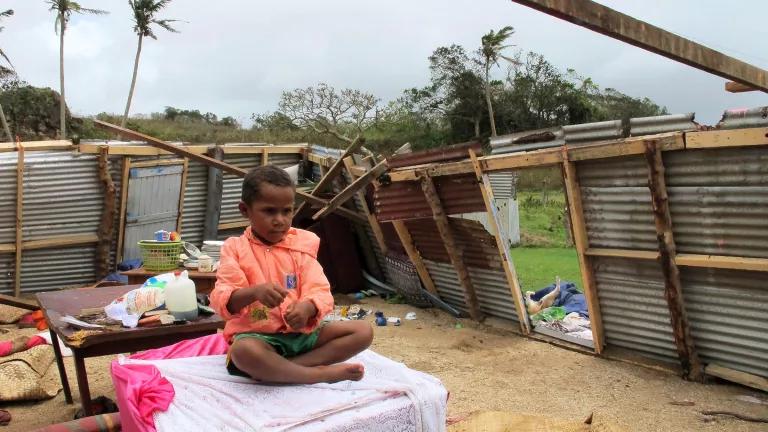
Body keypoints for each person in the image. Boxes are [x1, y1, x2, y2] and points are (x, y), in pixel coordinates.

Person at [210, 165, 373, 384]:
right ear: (245, 210)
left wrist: (308, 307)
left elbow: (321, 291)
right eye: (269, 211)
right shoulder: (234, 249)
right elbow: (222, 298)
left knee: (363, 331)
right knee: (243, 351)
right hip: (260, 337)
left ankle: (285, 369)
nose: (280, 220)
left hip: (303, 335)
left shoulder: (302, 246)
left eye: (287, 211)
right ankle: (318, 374)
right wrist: (254, 293)